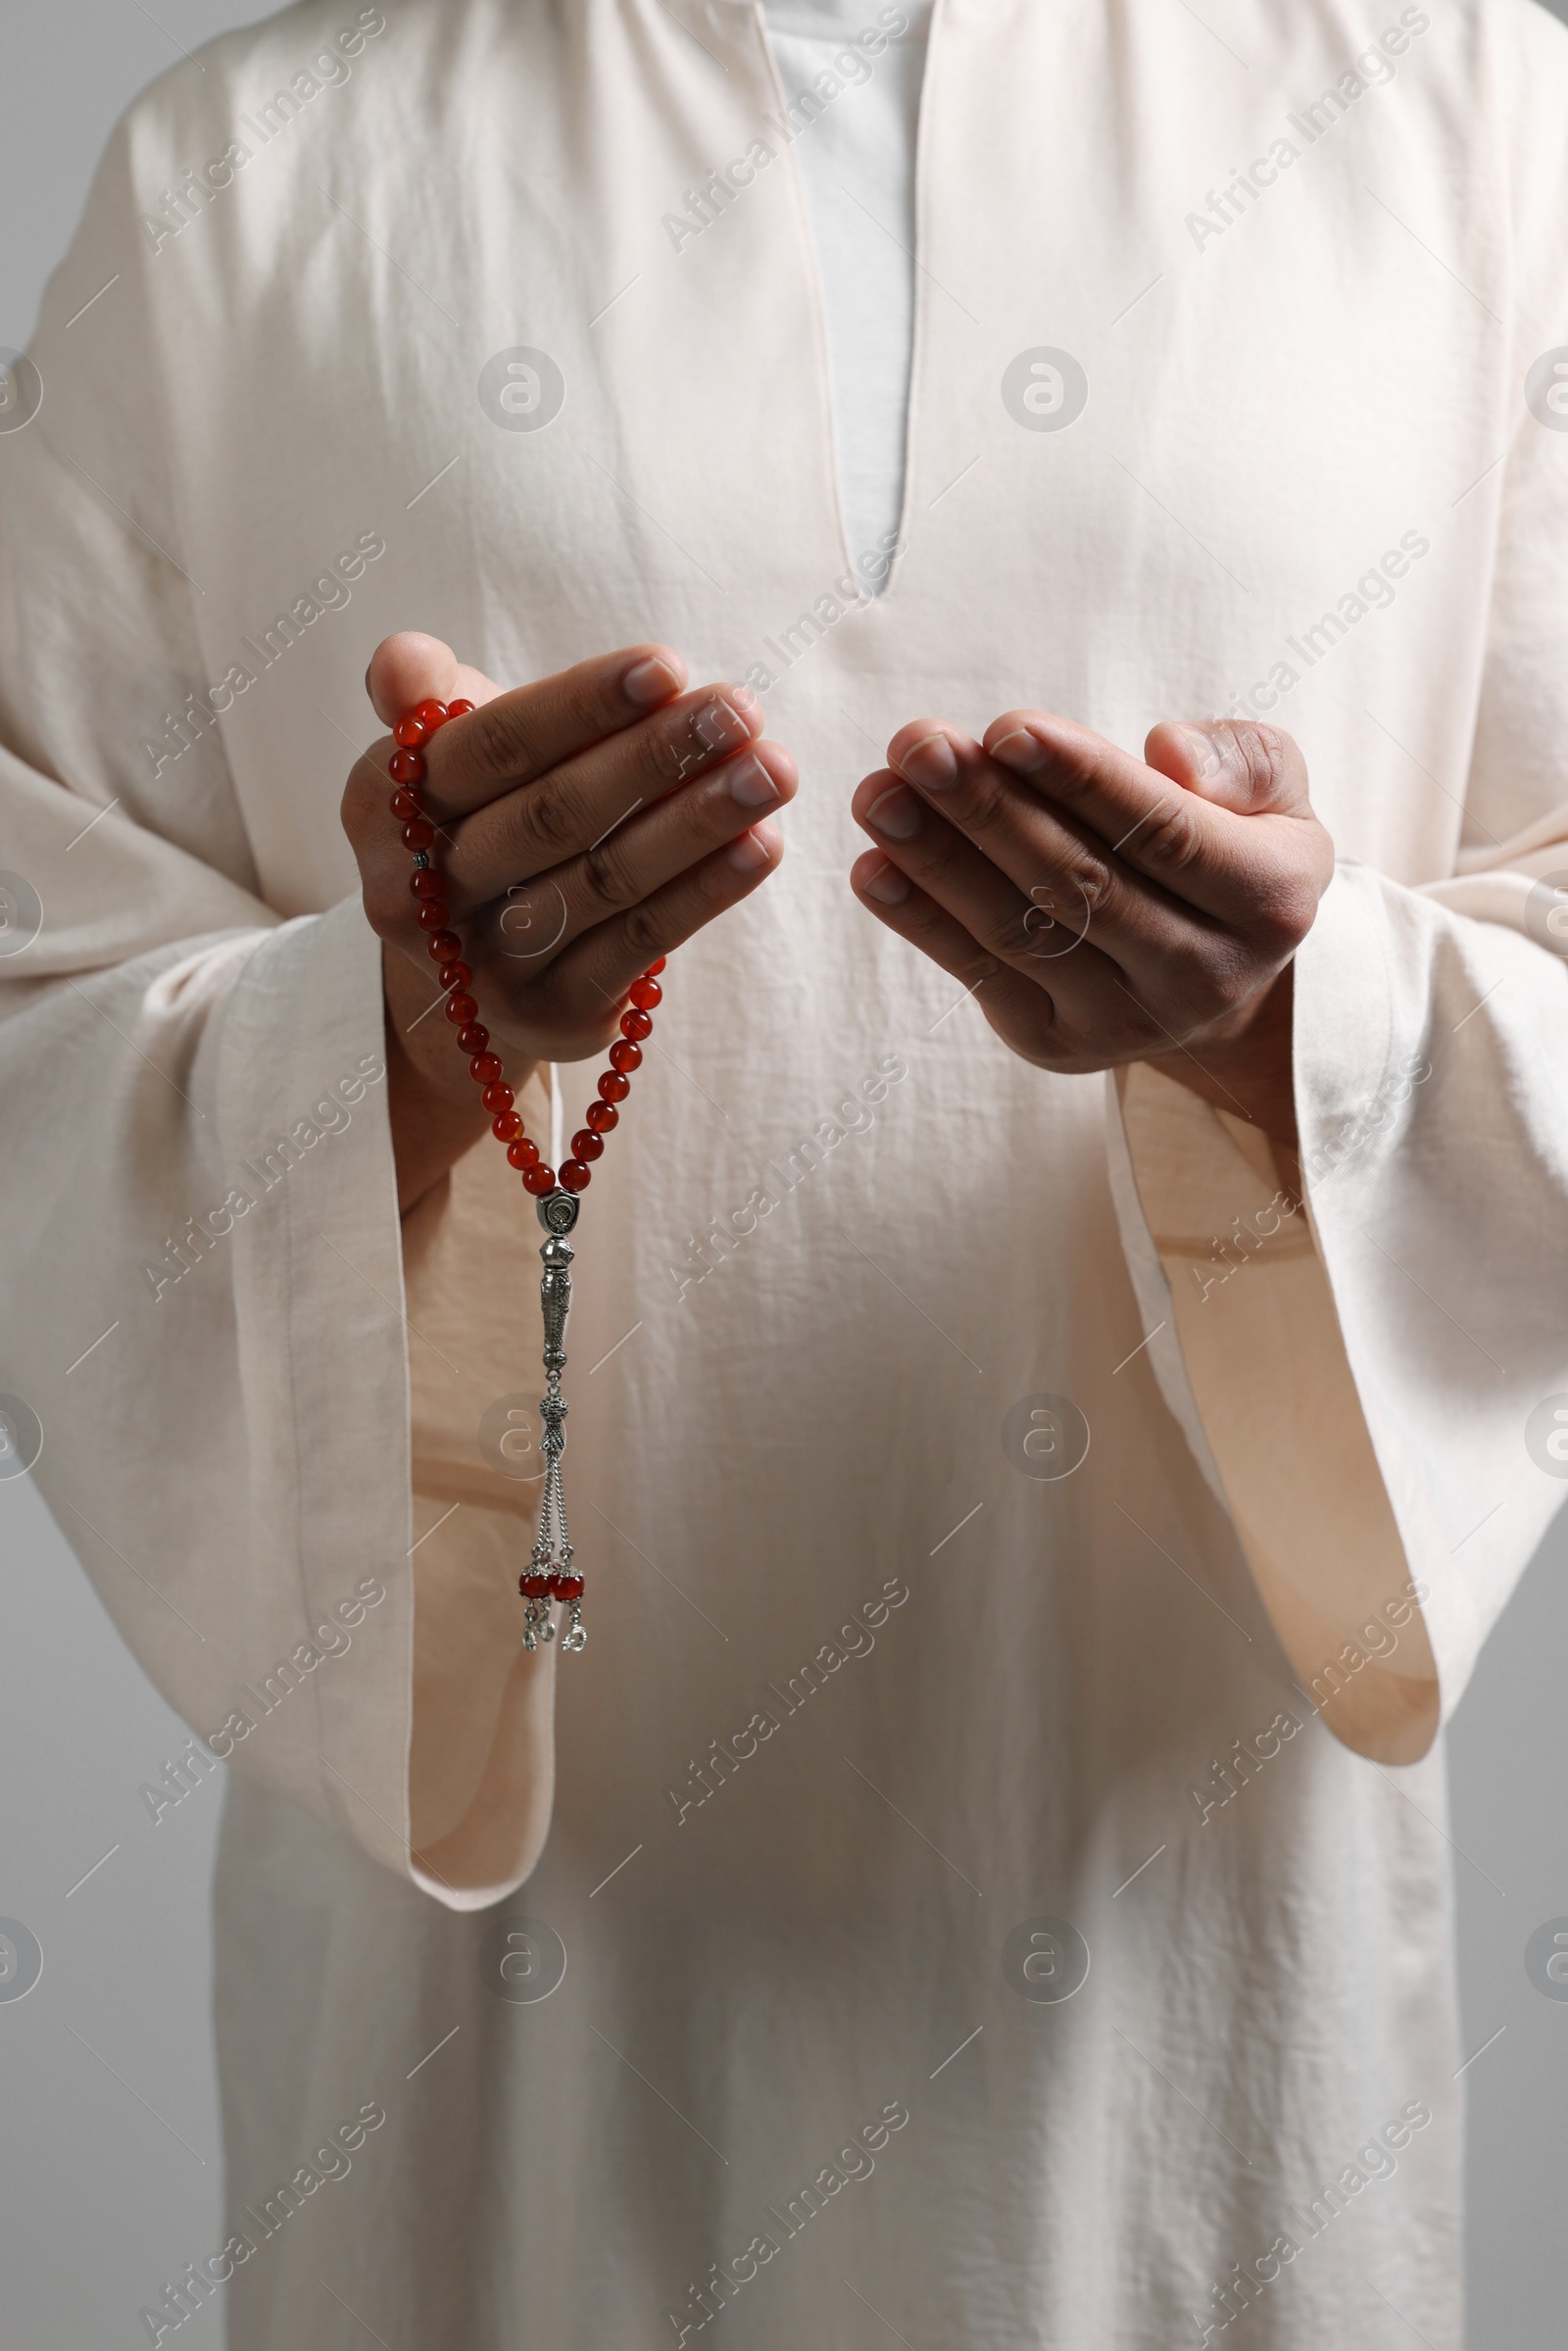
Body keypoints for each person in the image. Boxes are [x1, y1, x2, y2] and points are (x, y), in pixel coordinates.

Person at [3, 0, 1567, 2343]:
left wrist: (1297, 1023)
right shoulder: (245, 175)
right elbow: (41, 1017)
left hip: (1190, 1982)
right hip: (491, 2048)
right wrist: (398, 1044)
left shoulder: (1465, 113)